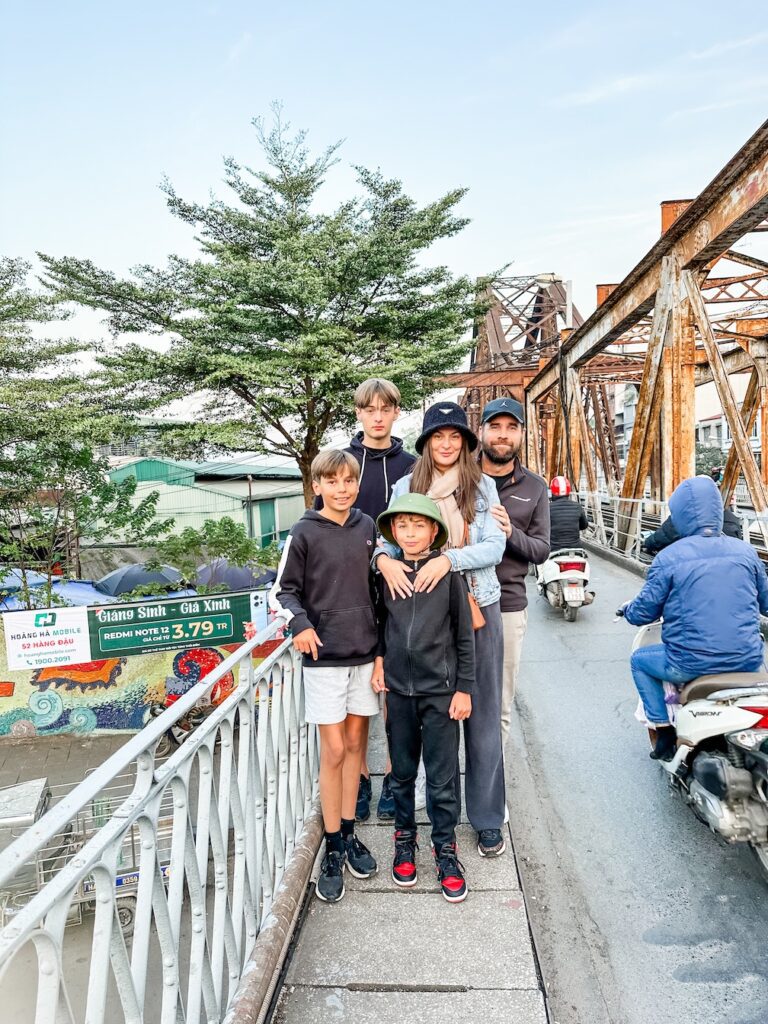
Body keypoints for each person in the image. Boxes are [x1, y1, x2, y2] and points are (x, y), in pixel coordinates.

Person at [373, 401, 508, 857]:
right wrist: (382, 559)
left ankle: (487, 817)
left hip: (477, 607)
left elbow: (495, 544)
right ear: (427, 442)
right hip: (420, 613)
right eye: (438, 436)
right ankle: (427, 819)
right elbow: (385, 538)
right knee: (429, 714)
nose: (447, 444)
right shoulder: (405, 486)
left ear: (466, 444)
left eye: (455, 437)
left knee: (482, 715)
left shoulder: (482, 485)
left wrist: (447, 559)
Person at [269, 450, 380, 902]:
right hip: (324, 656)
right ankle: (331, 844)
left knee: (356, 746)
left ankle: (349, 832)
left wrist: (383, 653)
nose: (342, 488)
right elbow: (283, 591)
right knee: (332, 749)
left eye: (349, 480)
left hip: (366, 652)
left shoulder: (368, 527)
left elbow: (378, 587)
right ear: (317, 485)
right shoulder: (304, 533)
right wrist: (300, 624)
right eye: (332, 481)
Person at [314, 378, 416, 823]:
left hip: (400, 587)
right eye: (369, 409)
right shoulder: (343, 463)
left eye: (385, 408)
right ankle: (360, 780)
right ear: (358, 413)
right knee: (361, 698)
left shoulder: (413, 465)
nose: (377, 416)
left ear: (396, 412)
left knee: (394, 687)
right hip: (354, 592)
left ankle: (395, 779)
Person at [621, 475, 768, 761]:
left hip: (689, 663)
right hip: (748, 660)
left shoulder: (669, 557)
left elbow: (642, 613)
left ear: (680, 515)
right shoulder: (746, 552)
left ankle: (663, 732)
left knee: (640, 661)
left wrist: (627, 610)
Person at [372, 493, 474, 902]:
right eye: (402, 526)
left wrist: (464, 687)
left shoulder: (448, 576)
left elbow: (464, 636)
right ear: (393, 532)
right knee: (401, 772)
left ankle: (445, 847)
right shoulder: (385, 574)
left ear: (434, 531)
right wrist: (380, 660)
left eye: (419, 525)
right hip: (397, 691)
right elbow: (379, 624)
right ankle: (404, 839)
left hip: (441, 692)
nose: (410, 533)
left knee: (443, 775)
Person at [477, 397, 549, 745]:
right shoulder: (462, 475)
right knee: (446, 699)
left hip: (507, 605)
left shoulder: (535, 487)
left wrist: (510, 533)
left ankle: (492, 790)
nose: (502, 436)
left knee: (499, 703)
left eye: (511, 428)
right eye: (495, 427)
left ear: (521, 433)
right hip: (457, 603)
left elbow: (541, 550)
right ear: (482, 431)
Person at [642, 501, 743, 555]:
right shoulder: (730, 516)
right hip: (729, 560)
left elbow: (663, 535)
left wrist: (647, 544)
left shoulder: (684, 515)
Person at [548, 476, 589, 551]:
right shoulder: (577, 506)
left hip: (554, 549)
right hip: (576, 548)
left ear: (552, 491)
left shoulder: (547, 508)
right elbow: (584, 525)